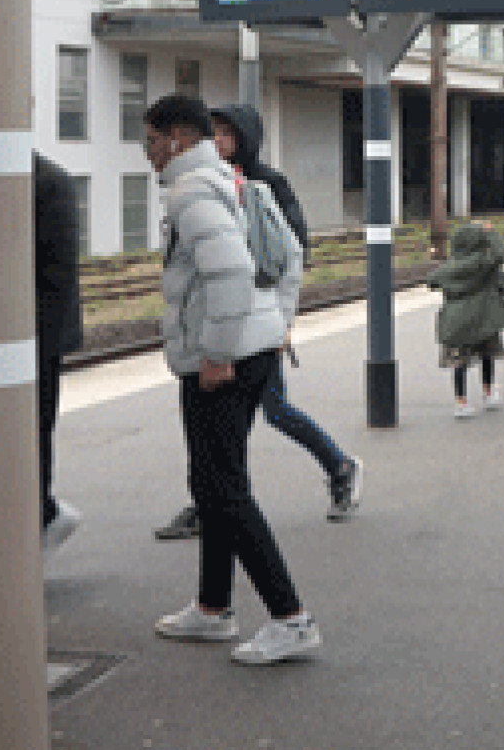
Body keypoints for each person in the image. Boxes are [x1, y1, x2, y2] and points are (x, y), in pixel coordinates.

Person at [143, 94, 322, 666]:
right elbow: (291, 257)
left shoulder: (193, 190)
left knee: (223, 487)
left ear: (174, 139)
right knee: (213, 480)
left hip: (222, 359)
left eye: (149, 141)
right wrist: (277, 326)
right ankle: (213, 606)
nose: (145, 153)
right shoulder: (237, 182)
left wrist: (218, 353)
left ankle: (291, 618)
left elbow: (230, 271)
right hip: (250, 349)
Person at [155, 103, 359, 540]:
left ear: (244, 138)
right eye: (215, 134)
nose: (220, 142)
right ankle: (213, 505)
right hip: (234, 329)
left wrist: (282, 320)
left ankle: (337, 465)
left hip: (251, 332)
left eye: (227, 134)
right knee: (234, 431)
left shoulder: (264, 184)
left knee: (274, 412)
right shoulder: (207, 182)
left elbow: (292, 252)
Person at [33, 151, 85, 551]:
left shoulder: (47, 181)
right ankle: (42, 514)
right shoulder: (48, 179)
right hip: (34, 337)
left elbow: (55, 277)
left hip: (36, 340)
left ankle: (42, 516)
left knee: (33, 436)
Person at [427, 220, 504, 417]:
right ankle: (488, 393)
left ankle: (461, 403)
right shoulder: (482, 262)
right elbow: (499, 254)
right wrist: (490, 232)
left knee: (459, 364)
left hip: (455, 322)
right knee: (487, 356)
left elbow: (432, 281)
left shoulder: (450, 266)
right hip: (483, 318)